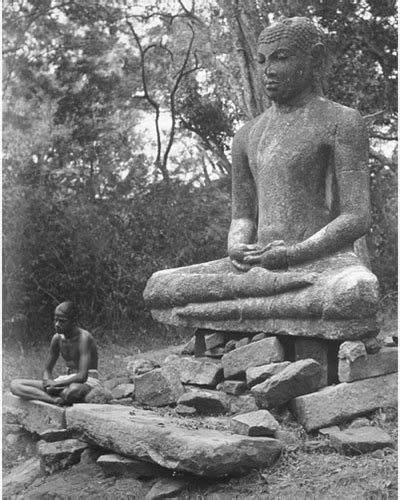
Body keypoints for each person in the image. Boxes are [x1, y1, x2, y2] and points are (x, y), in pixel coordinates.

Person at [144, 17, 379, 338]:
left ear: (314, 59)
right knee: (159, 285)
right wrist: (237, 247)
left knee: (354, 291)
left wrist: (293, 254)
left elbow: (357, 217)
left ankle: (240, 307)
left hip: (322, 263)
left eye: (281, 58)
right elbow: (242, 216)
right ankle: (273, 301)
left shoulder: (341, 121)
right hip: (255, 266)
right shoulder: (247, 135)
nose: (268, 69)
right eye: (262, 60)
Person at [10, 301, 100, 405]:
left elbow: (82, 376)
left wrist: (57, 384)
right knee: (15, 385)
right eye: (56, 320)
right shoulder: (57, 338)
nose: (57, 324)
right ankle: (54, 400)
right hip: (65, 381)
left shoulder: (84, 338)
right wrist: (48, 383)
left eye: (62, 321)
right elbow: (47, 370)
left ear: (74, 320)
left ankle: (54, 395)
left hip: (87, 381)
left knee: (73, 391)